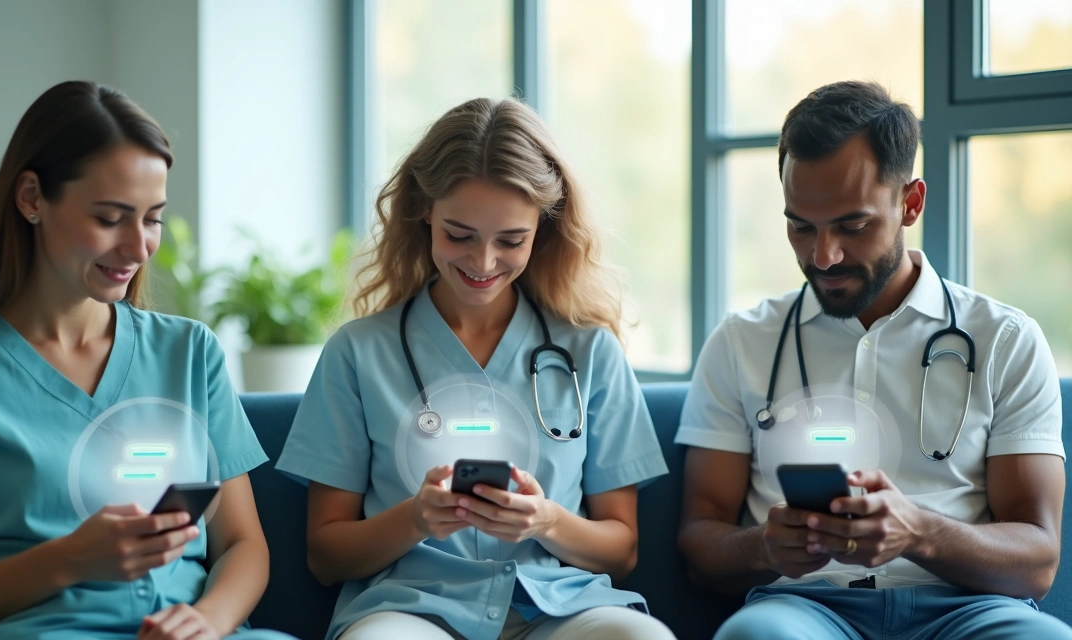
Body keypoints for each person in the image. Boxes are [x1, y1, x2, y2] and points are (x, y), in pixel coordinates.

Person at [0, 81, 293, 640]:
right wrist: (69, 560)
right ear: (32, 198)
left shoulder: (190, 352)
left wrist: (207, 620)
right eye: (111, 218)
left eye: (152, 218)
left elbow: (242, 544)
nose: (139, 248)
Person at [675, 80, 1071, 639]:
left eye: (852, 226)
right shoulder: (742, 341)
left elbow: (1038, 559)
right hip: (805, 608)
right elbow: (700, 542)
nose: (823, 256)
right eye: (800, 226)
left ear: (910, 203)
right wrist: (764, 547)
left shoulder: (1005, 339)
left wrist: (920, 533)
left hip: (967, 609)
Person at [275, 97, 675, 640]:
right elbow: (326, 555)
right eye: (458, 235)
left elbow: (621, 550)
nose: (483, 263)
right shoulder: (357, 354)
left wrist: (547, 520)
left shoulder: (590, 351)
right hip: (411, 611)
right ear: (424, 213)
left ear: (545, 228)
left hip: (558, 609)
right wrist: (416, 519)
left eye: (511, 241)